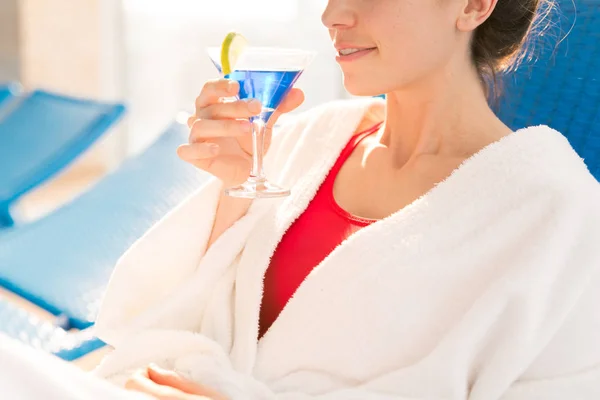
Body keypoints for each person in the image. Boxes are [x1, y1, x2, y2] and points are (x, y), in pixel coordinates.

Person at [90, 0, 600, 399]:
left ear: (472, 6)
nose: (332, 16)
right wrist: (233, 188)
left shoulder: (553, 209)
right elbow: (188, 323)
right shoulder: (308, 140)